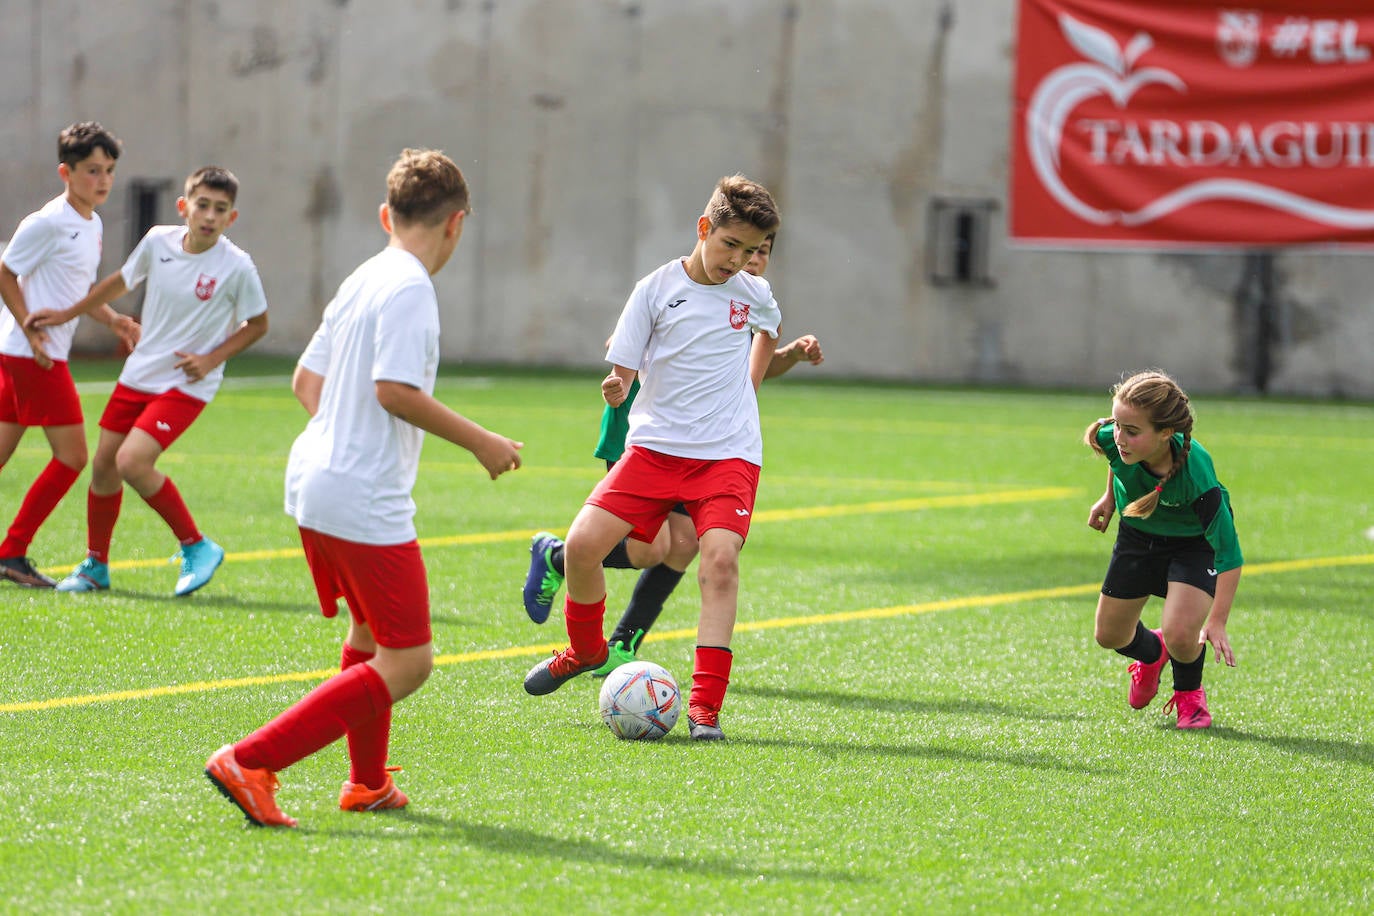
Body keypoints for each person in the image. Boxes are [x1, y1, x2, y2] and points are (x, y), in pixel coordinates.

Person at [204, 148, 523, 828]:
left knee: (371, 632)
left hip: (314, 480)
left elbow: (305, 383)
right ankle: (252, 759)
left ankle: (367, 784)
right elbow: (394, 392)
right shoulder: (410, 287)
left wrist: (342, 441)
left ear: (387, 215)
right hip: (362, 497)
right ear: (457, 224)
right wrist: (482, 442)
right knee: (409, 663)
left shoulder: (364, 276)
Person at [522, 174, 784, 741]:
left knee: (718, 560)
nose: (737, 261)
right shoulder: (655, 289)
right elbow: (623, 369)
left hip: (727, 456)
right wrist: (617, 387)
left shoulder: (753, 293)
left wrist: (750, 383)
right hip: (654, 451)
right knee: (585, 545)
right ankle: (585, 651)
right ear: (703, 228)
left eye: (749, 251)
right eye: (729, 245)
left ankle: (705, 712)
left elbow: (770, 327)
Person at [27, 166, 268, 596]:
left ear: (232, 218)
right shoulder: (158, 241)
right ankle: (95, 566)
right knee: (103, 467)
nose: (210, 216)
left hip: (186, 382)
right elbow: (120, 281)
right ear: (184, 207)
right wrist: (68, 314)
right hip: (140, 373)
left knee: (131, 462)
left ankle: (197, 545)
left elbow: (258, 324)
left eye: (221, 209)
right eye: (203, 205)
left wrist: (211, 358)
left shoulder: (237, 266)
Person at [0, 122, 138, 588]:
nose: (102, 180)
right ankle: (12, 551)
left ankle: (10, 552)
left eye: (109, 170)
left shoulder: (92, 223)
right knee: (74, 456)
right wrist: (31, 332)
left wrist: (113, 319)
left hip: (24, 353)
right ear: (66, 172)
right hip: (32, 355)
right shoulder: (47, 223)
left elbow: (77, 290)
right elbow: (5, 273)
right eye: (92, 170)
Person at [1083, 369, 1242, 729]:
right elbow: (1115, 456)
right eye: (1118, 425)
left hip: (1193, 546)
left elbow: (1229, 554)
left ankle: (1190, 698)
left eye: (1132, 431)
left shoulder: (1196, 475)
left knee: (1182, 633)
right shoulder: (1114, 436)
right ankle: (1153, 654)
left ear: (1166, 433)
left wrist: (1217, 620)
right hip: (1138, 536)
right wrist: (1109, 497)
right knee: (1109, 635)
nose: (1119, 437)